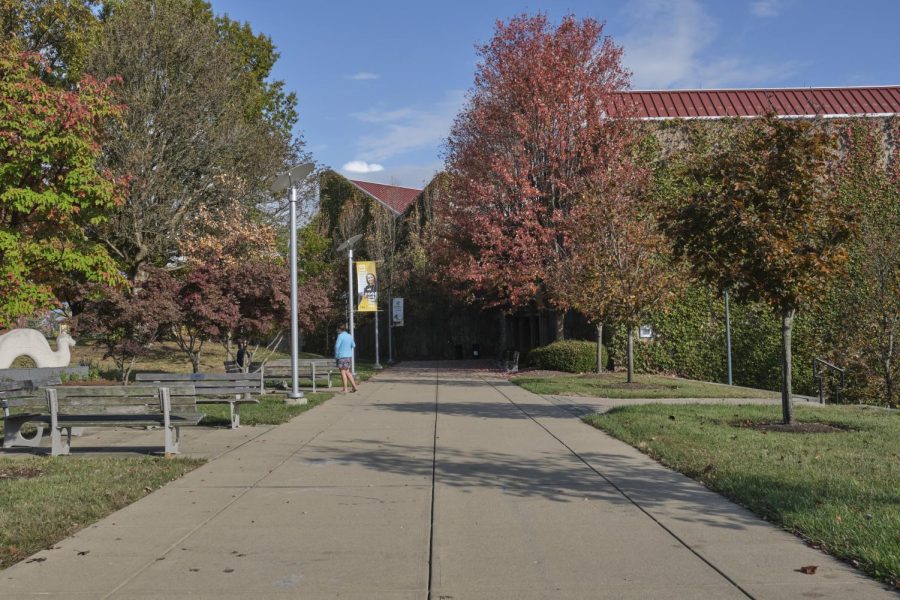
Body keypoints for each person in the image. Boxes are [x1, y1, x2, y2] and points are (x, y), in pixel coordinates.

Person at [334, 323, 358, 394]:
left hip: (341, 357)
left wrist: (336, 355)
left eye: (337, 329)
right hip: (348, 357)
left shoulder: (340, 336)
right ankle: (354, 387)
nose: (336, 330)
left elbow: (336, 346)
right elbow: (354, 345)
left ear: (339, 329)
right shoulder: (349, 336)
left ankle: (345, 389)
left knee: (343, 372)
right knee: (347, 371)